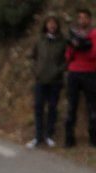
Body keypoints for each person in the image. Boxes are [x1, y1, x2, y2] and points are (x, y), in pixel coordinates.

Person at [64, 8, 96, 147]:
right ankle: (69, 139)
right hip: (74, 72)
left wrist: (80, 46)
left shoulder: (95, 33)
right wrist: (77, 46)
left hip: (89, 73)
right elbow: (68, 55)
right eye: (80, 17)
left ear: (89, 19)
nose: (82, 20)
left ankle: (94, 139)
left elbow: (94, 54)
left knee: (92, 106)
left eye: (85, 17)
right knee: (71, 107)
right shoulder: (74, 34)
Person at [27, 16, 67, 148]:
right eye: (49, 23)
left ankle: (49, 135)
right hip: (40, 79)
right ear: (46, 25)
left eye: (54, 23)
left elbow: (67, 59)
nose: (52, 26)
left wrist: (59, 70)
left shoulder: (62, 41)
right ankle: (38, 136)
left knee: (52, 108)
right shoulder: (39, 40)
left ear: (57, 25)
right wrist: (36, 70)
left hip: (55, 80)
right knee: (38, 107)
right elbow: (33, 56)